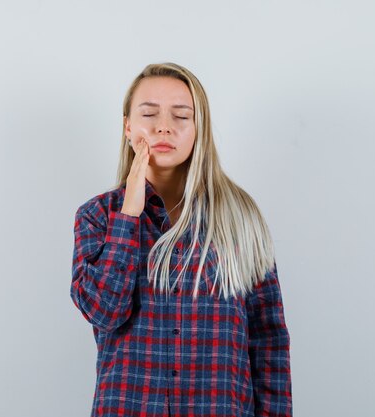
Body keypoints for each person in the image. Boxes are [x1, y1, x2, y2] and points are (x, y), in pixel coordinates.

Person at [70, 62, 292, 417]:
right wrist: (129, 214)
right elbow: (104, 311)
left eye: (181, 116)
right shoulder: (98, 216)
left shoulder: (241, 217)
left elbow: (268, 341)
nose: (164, 126)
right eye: (149, 113)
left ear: (198, 127)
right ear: (128, 126)